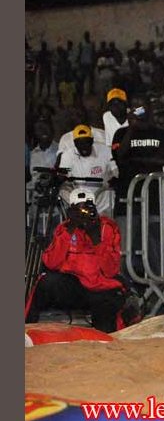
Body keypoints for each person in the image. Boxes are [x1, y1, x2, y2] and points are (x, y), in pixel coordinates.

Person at [25, 188, 129, 333]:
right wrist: (70, 229)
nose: (83, 213)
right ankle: (25, 328)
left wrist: (96, 239)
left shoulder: (107, 228)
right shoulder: (65, 228)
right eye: (78, 210)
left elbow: (110, 271)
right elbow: (51, 263)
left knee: (107, 322)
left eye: (86, 209)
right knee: (45, 282)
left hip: (101, 287)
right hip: (74, 286)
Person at [58, 124, 114, 216]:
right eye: (79, 143)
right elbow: (62, 177)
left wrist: (113, 178)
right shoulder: (67, 155)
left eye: (86, 142)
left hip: (104, 205)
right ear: (74, 143)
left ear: (92, 141)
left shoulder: (105, 151)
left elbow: (115, 171)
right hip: (80, 206)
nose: (83, 146)